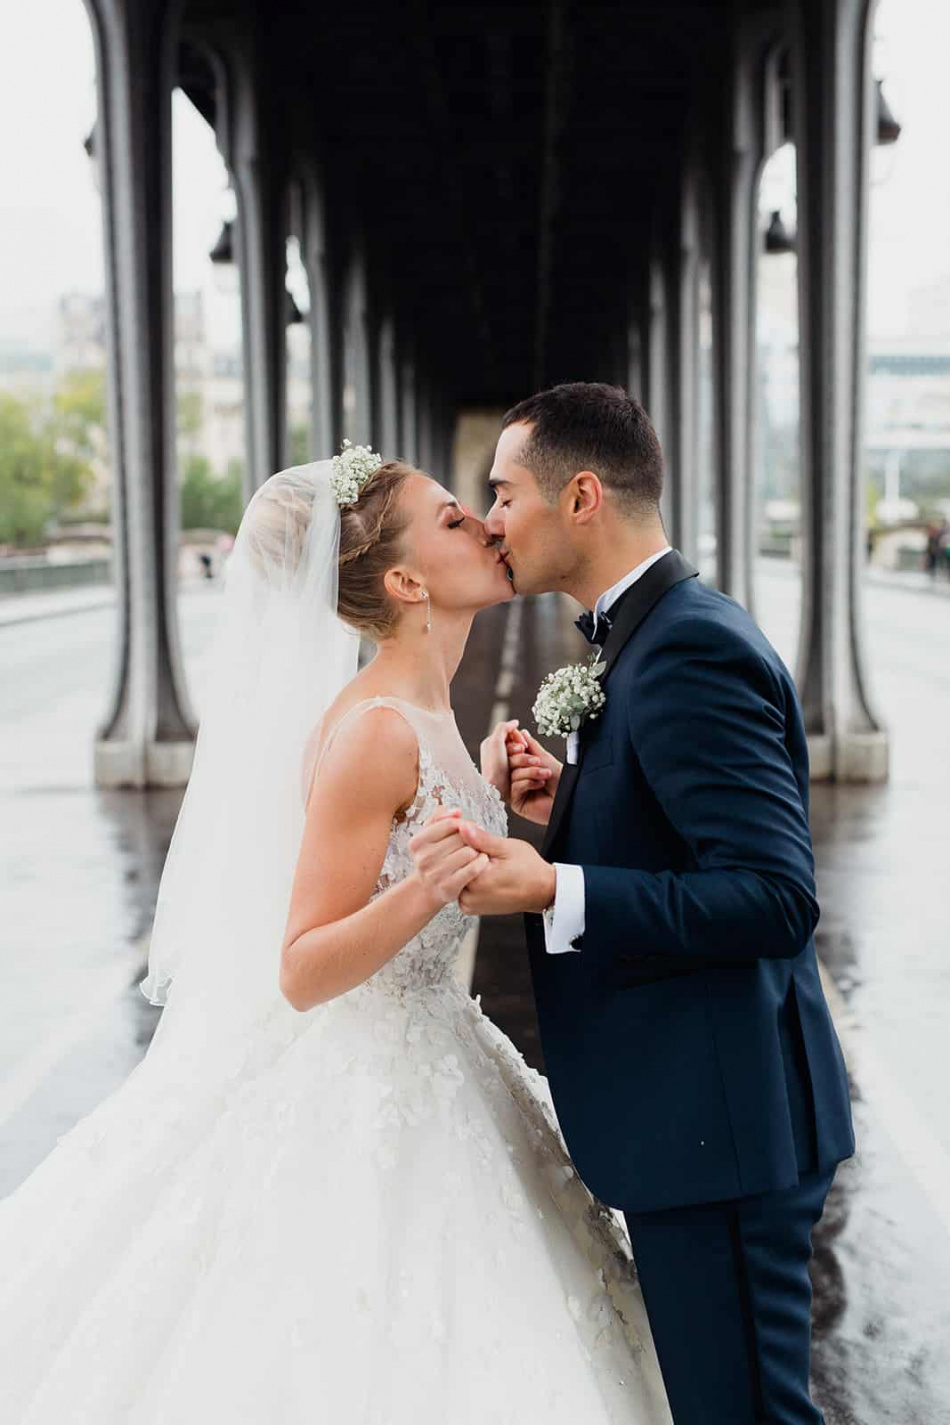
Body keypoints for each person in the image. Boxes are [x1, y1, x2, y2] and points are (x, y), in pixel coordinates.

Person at [0, 449, 669, 1423]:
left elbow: (418, 839)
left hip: (444, 1054)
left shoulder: (427, 712)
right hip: (370, 1079)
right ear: (403, 583)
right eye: (452, 518)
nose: (484, 524)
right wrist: (427, 887)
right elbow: (304, 967)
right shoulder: (373, 733)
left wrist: (506, 798)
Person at [438, 382, 855, 1425]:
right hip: (702, 1122)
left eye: (502, 493)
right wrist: (571, 799)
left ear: (579, 496)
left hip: (720, 1133)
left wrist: (554, 884)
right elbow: (684, 827)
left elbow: (769, 897)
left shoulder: (685, 649)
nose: (490, 519)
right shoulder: (652, 631)